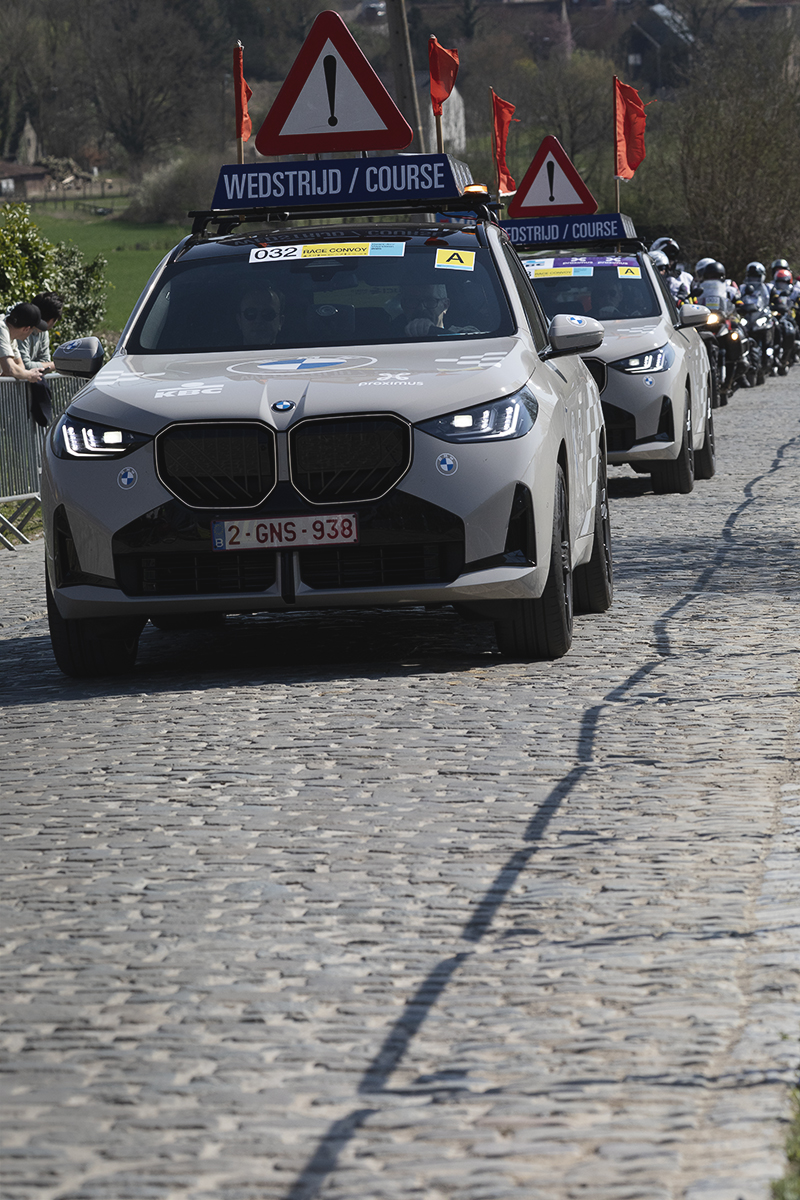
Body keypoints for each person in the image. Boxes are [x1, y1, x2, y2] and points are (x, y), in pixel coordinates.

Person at [0, 302, 53, 426]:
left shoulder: (10, 333)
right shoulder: (1, 329)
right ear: (26, 329)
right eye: (33, 330)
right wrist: (29, 375)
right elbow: (11, 368)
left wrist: (22, 373)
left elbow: (20, 366)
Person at [389, 281, 478, 337]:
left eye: (430, 301)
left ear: (445, 305)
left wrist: (434, 331)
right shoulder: (388, 337)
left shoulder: (462, 334)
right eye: (413, 301)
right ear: (403, 305)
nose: (421, 308)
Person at [18, 292, 63, 373]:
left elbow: (45, 361)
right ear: (52, 319)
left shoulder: (43, 331)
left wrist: (48, 365)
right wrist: (56, 365)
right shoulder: (20, 328)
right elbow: (25, 366)